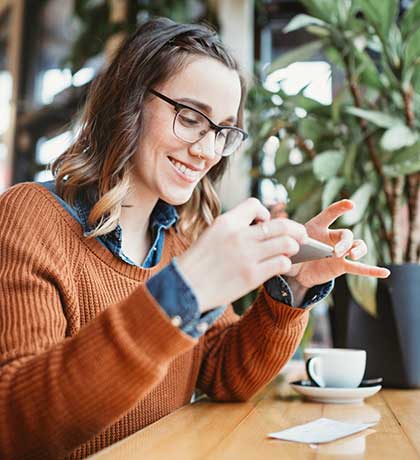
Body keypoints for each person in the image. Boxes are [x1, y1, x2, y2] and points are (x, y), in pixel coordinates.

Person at [0, 17, 390, 460]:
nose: (206, 150)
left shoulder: (183, 238)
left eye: (223, 131)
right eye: (189, 118)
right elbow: (17, 425)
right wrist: (181, 293)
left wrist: (294, 289)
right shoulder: (30, 216)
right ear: (128, 102)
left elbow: (224, 374)